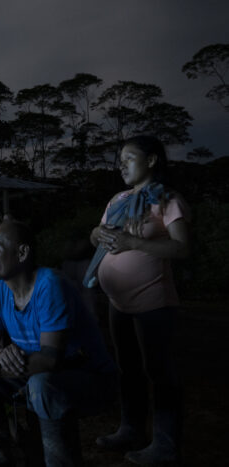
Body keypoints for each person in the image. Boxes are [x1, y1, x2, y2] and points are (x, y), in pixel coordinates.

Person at [0, 221, 117, 466]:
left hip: (88, 377)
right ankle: (0, 453)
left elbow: (50, 359)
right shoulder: (0, 290)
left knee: (40, 384)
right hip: (40, 373)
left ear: (22, 253)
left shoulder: (50, 284)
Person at [88, 135, 190, 465]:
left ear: (151, 161)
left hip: (154, 303)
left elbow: (182, 247)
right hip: (119, 303)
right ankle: (131, 429)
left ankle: (164, 444)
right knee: (127, 369)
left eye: (129, 158)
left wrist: (133, 242)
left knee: (159, 372)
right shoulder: (117, 199)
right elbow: (98, 232)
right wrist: (97, 234)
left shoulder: (166, 199)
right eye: (120, 159)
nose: (121, 164)